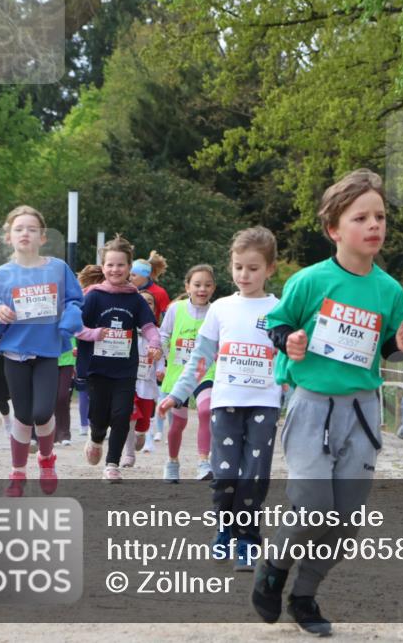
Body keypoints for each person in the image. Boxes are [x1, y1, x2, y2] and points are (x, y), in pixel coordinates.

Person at [252, 169, 403, 635]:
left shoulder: (389, 290)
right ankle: (276, 567)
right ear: (334, 229)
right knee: (312, 507)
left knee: (347, 519)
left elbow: (389, 348)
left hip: (362, 410)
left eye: (380, 216)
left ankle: (305, 594)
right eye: (361, 217)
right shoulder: (309, 281)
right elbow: (276, 325)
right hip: (312, 406)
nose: (374, 226)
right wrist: (292, 342)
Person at [160, 227, 282, 572]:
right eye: (238, 266)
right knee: (225, 474)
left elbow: (290, 356)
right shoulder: (221, 309)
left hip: (264, 404)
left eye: (253, 268)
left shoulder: (280, 308)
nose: (244, 275)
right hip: (225, 402)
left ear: (269, 269)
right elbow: (201, 356)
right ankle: (225, 527)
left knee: (254, 476)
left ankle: (248, 537)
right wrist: (176, 394)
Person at [0, 206, 83, 497]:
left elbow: (75, 300)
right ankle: (17, 473)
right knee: (23, 415)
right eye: (18, 229)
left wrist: (70, 318)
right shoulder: (1, 274)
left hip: (47, 351)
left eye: (31, 229)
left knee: (42, 412)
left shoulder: (57, 268)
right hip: (14, 352)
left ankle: (46, 459)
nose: (24, 233)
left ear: (42, 237)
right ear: (8, 238)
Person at [76, 236, 161, 482]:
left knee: (122, 414)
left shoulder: (134, 298)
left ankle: (112, 464)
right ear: (103, 267)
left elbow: (148, 326)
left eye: (121, 265)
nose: (115, 270)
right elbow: (74, 326)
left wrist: (155, 344)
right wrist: (93, 334)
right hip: (96, 368)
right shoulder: (93, 296)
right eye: (110, 265)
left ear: (130, 267)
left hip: (125, 368)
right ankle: (95, 436)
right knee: (99, 416)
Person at [158, 265, 217, 482]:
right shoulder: (176, 309)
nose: (202, 289)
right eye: (197, 285)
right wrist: (161, 355)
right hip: (178, 373)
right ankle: (172, 462)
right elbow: (164, 333)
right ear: (187, 286)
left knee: (205, 411)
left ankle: (204, 461)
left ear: (214, 288)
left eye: (208, 285)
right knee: (178, 424)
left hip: (205, 371)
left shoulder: (216, 311)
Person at [122, 290, 164, 467]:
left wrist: (161, 369)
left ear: (154, 308)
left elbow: (161, 355)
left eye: (150, 302)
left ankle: (141, 434)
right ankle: (128, 454)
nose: (146, 305)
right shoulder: (125, 328)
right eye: (142, 302)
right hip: (126, 382)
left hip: (147, 384)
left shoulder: (158, 333)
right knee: (128, 417)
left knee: (142, 423)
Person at [74, 264, 105, 438]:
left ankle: (85, 424)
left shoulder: (80, 297)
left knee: (85, 390)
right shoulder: (88, 297)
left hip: (85, 349)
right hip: (94, 347)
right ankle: (93, 423)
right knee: (96, 390)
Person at [131, 251, 170, 323]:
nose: (130, 278)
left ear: (145, 275)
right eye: (129, 275)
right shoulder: (127, 290)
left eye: (133, 275)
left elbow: (168, 318)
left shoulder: (160, 292)